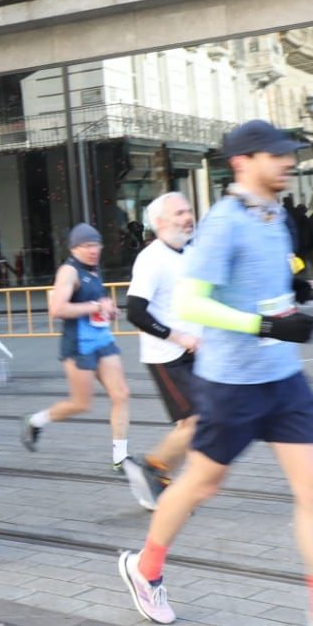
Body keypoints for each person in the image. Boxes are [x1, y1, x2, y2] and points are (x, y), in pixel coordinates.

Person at [117, 120, 313, 626]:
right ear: (243, 162)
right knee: (201, 483)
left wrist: (291, 290)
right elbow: (192, 305)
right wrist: (268, 326)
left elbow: (265, 286)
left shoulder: (274, 216)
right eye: (276, 155)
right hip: (233, 384)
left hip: (284, 379)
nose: (288, 162)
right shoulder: (223, 224)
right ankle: (145, 567)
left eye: (288, 154)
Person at [19, 223, 132, 470]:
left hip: (103, 341)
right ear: (74, 248)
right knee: (81, 404)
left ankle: (120, 457)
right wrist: (95, 306)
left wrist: (108, 309)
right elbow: (57, 309)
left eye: (96, 244)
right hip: (78, 346)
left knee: (121, 394)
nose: (93, 250)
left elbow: (96, 304)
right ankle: (36, 421)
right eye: (87, 246)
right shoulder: (68, 272)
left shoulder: (94, 269)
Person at [121, 193, 201, 510]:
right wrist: (176, 336)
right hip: (167, 356)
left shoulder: (192, 251)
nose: (187, 217)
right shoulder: (151, 259)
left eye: (189, 210)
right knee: (197, 422)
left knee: (193, 425)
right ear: (160, 223)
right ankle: (152, 469)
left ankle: (159, 478)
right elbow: (135, 312)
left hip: (197, 351)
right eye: (179, 213)